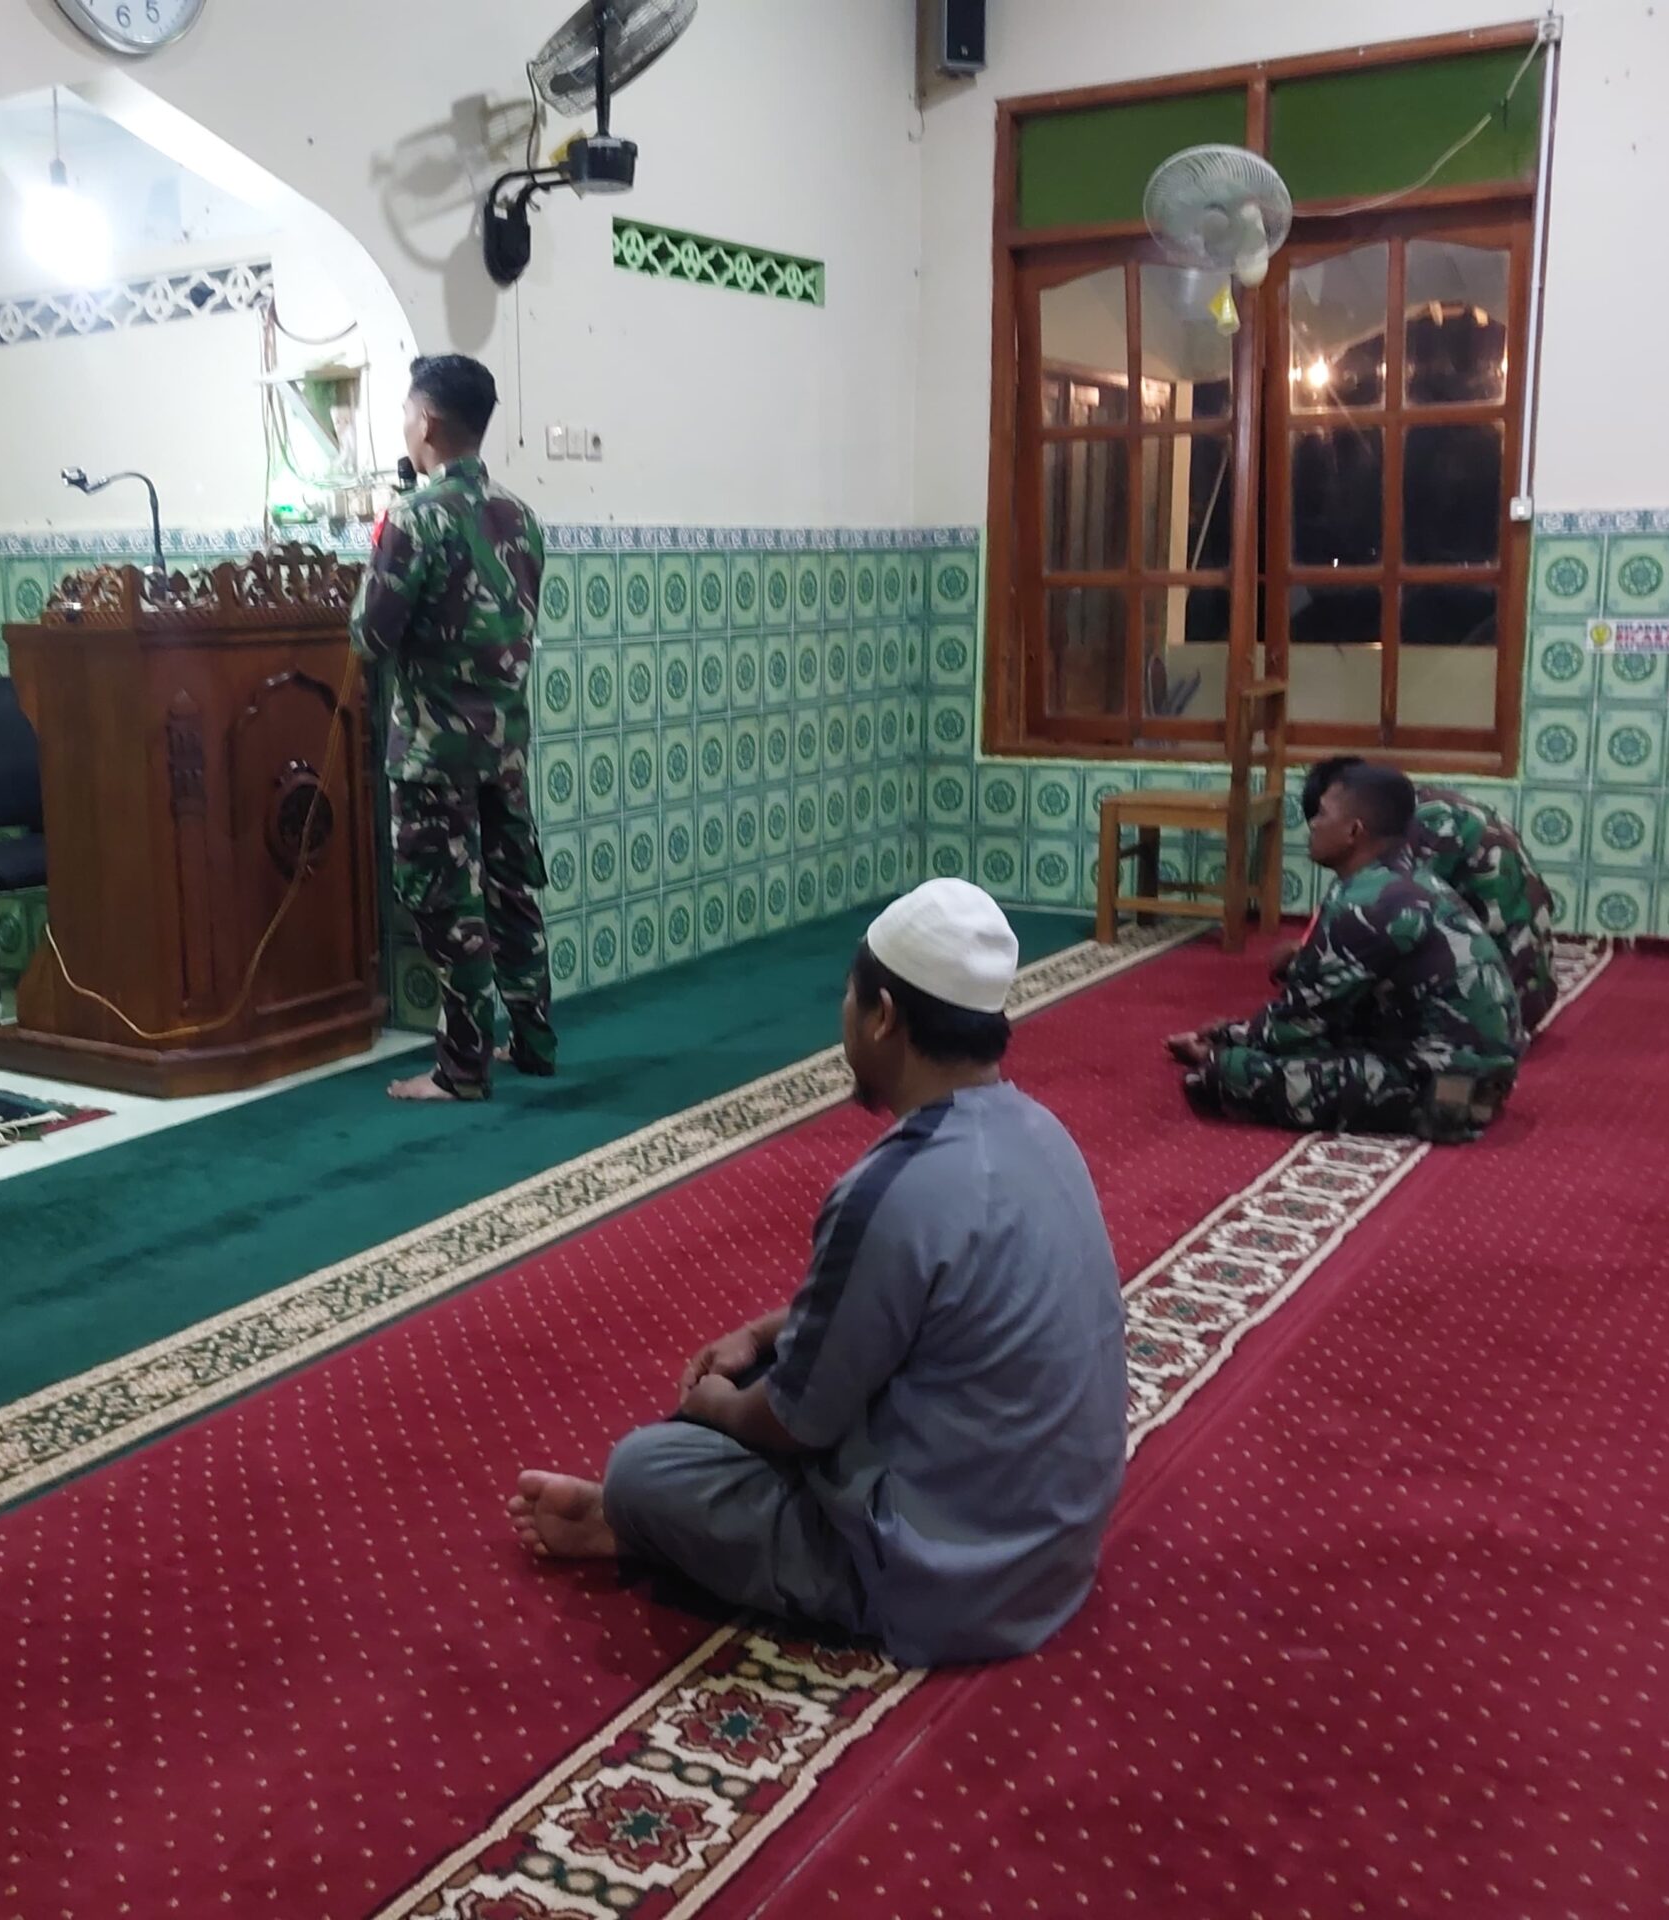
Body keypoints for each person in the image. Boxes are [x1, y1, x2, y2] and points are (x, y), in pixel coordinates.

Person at [507, 880, 1129, 1668]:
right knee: (773, 1361)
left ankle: (632, 1523)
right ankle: (660, 1522)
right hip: (1053, 1549)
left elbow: (792, 1424)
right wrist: (759, 1333)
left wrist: (714, 1406)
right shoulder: (1041, 1132)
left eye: (848, 996)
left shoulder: (892, 1187)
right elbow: (903, 1300)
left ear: (883, 1016)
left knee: (646, 1466)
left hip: (946, 1582)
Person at [353, 354, 556, 1103]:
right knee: (510, 891)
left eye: (408, 414)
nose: (406, 426)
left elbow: (371, 635)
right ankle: (533, 1042)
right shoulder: (520, 516)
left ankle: (461, 1070)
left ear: (428, 422)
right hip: (503, 744)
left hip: (434, 750)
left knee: (446, 902)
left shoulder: (414, 518)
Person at [1170, 761, 1523, 1141]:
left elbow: (1295, 1026)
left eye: (1322, 814)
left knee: (1227, 1075)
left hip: (1450, 1093)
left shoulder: (1366, 904)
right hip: (1469, 1071)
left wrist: (1221, 1047)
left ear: (1354, 831)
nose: (1313, 824)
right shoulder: (1405, 878)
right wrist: (1233, 1033)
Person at [1269, 758, 1558, 1032]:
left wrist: (1308, 963)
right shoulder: (1420, 808)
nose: (1315, 827)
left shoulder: (1418, 831)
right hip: (1531, 980)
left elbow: (1379, 930)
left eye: (1323, 814)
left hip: (1504, 1006)